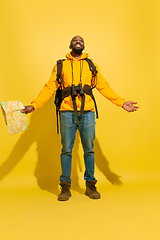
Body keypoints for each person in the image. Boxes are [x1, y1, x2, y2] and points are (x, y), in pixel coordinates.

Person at [22, 36, 139, 201]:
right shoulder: (60, 65)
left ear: (83, 45)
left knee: (89, 149)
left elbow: (104, 87)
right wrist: (34, 106)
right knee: (67, 150)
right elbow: (49, 87)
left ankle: (90, 184)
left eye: (81, 40)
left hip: (88, 113)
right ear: (70, 45)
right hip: (67, 112)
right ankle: (65, 185)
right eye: (75, 40)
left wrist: (121, 103)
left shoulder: (91, 65)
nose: (79, 41)